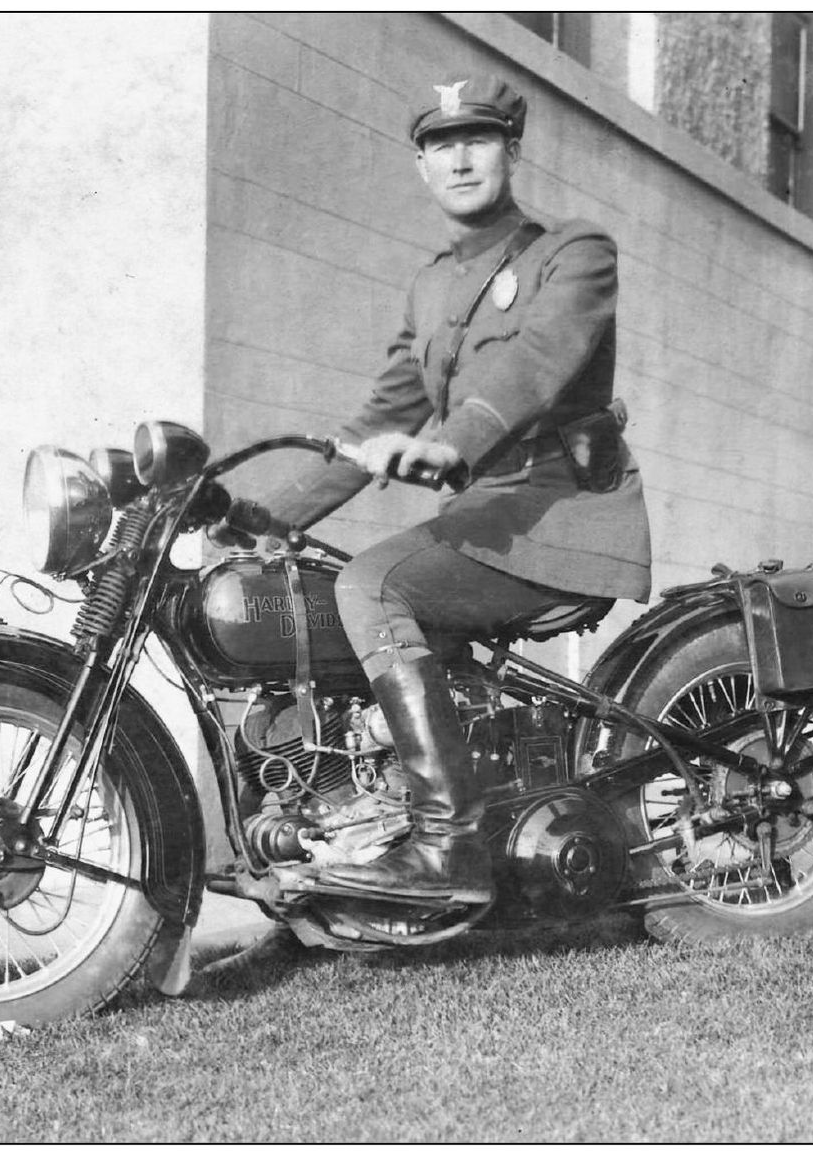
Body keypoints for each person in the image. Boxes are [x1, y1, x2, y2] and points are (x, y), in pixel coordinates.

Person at [243, 72, 652, 937]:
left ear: (511, 149)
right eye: (439, 144)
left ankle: (446, 845)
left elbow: (537, 361)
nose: (459, 157)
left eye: (477, 138)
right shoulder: (430, 288)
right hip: (486, 522)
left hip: (560, 516)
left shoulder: (572, 251)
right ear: (421, 165)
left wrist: (451, 442)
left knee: (371, 585)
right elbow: (374, 422)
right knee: (311, 587)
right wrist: (254, 519)